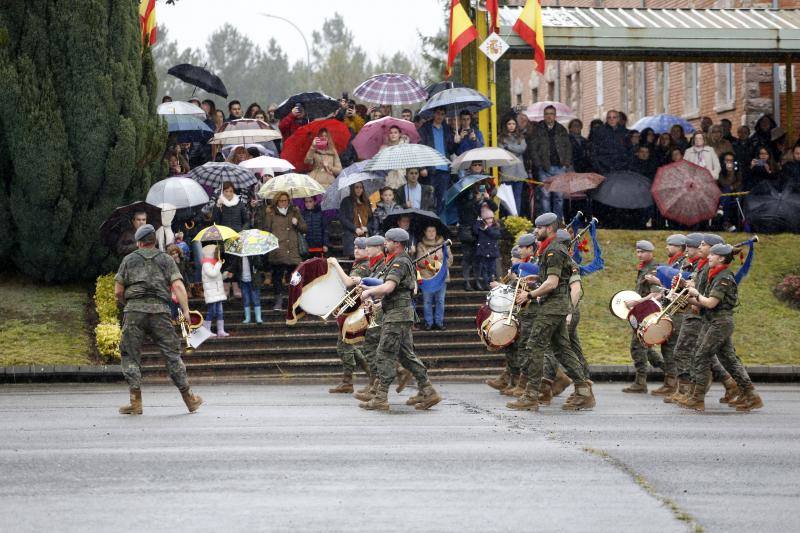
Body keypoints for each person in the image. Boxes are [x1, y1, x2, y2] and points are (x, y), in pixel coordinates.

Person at [506, 213, 595, 411]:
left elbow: (553, 283)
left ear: (549, 228)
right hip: (556, 306)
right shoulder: (551, 249)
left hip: (552, 306)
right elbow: (551, 276)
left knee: (534, 347)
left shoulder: (554, 250)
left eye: (539, 228)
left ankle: (531, 395)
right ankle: (583, 391)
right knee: (562, 349)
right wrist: (535, 277)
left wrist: (529, 296)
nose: (536, 231)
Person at [114, 224, 202, 415]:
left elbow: (118, 291)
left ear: (139, 242)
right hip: (160, 312)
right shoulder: (166, 259)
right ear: (154, 240)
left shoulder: (128, 260)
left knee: (130, 355)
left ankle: (135, 402)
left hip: (134, 312)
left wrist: (127, 304)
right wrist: (186, 311)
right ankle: (190, 399)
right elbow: (178, 286)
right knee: (172, 355)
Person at [358, 228, 443, 411]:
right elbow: (399, 292)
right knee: (405, 355)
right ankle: (428, 390)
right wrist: (380, 305)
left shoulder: (400, 262)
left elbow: (389, 287)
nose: (385, 244)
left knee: (384, 353)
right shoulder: (399, 260)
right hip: (398, 313)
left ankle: (380, 397)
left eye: (387, 241)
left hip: (397, 317)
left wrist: (369, 291)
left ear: (396, 244)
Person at [684, 243, 763, 412]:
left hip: (720, 323)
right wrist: (684, 298)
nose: (709, 257)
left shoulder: (724, 277)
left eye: (712, 255)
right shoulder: (715, 274)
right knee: (729, 360)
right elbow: (704, 302)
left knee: (702, 355)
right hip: (716, 321)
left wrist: (696, 294)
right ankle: (751, 396)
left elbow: (711, 303)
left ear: (721, 258)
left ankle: (697, 398)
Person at [540, 228, 590, 406]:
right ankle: (585, 388)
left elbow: (576, 289)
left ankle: (546, 387)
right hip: (564, 308)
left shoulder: (568, 263)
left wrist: (569, 312)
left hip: (567, 309)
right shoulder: (559, 259)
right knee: (572, 348)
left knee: (555, 348)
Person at [486, 233, 536, 396]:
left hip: (529, 312)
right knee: (514, 347)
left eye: (516, 257)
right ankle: (514, 380)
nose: (514, 260)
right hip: (521, 313)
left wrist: (501, 285)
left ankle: (531, 383)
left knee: (524, 349)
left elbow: (524, 290)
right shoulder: (523, 268)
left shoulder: (530, 267)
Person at [329, 236, 371, 394]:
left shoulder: (363, 266)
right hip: (352, 308)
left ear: (368, 250)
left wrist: (335, 264)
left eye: (360, 248)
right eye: (355, 247)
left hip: (356, 310)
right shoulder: (359, 264)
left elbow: (348, 283)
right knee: (348, 345)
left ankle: (349, 381)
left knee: (344, 345)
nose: (356, 250)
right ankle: (368, 375)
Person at [621, 240, 664, 393]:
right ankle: (672, 372)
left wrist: (637, 302)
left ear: (650, 252)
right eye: (637, 252)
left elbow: (656, 293)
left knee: (637, 346)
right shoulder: (644, 268)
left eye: (642, 252)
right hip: (641, 313)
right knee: (645, 347)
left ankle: (641, 382)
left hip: (648, 312)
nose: (639, 255)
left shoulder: (652, 269)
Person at [257, 191, 307, 312]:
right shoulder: (271, 214)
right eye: (281, 200)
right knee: (277, 277)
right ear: (276, 201)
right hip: (278, 251)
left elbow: (304, 228)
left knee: (295, 277)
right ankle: (278, 301)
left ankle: (295, 301)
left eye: (286, 200)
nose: (284, 203)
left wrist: (297, 223)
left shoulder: (295, 211)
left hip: (293, 252)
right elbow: (266, 231)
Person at [457, 183, 496, 291]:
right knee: (467, 257)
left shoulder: (484, 196)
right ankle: (466, 281)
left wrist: (487, 199)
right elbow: (465, 210)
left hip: (479, 231)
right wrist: (475, 200)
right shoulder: (465, 193)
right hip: (467, 230)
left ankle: (477, 281)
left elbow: (494, 208)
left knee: (477, 258)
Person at [418, 107, 456, 214]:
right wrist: (422, 167)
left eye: (442, 114)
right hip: (430, 170)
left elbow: (451, 149)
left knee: (442, 200)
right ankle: (429, 226)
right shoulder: (425, 129)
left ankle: (439, 226)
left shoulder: (447, 128)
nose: (440, 116)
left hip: (444, 170)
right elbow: (420, 148)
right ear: (433, 114)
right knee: (428, 200)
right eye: (438, 113)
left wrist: (456, 141)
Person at [417, 225, 452, 330]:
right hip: (427, 279)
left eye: (433, 231)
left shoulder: (444, 244)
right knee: (427, 301)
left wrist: (439, 265)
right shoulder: (420, 245)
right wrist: (435, 264)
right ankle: (429, 323)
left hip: (441, 277)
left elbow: (449, 259)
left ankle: (439, 322)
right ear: (425, 232)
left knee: (440, 301)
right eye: (429, 231)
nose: (431, 233)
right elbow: (420, 261)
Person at [499, 116, 528, 214]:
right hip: (507, 171)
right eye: (509, 124)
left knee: (517, 197)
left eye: (513, 124)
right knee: (508, 198)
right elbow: (502, 152)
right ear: (505, 125)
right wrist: (515, 149)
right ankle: (509, 221)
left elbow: (522, 149)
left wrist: (508, 147)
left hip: (519, 171)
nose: (511, 126)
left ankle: (516, 220)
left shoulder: (521, 137)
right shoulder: (501, 138)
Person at [201, 243, 231, 337]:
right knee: (211, 311)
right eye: (216, 252)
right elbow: (212, 274)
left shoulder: (214, 263)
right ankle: (206, 329)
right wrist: (219, 264)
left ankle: (220, 330)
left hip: (218, 292)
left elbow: (217, 277)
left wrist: (225, 275)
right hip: (211, 292)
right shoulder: (206, 264)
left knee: (220, 311)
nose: (217, 254)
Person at [589, 109, 629, 174]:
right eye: (609, 117)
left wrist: (626, 166)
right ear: (606, 119)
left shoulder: (625, 133)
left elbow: (629, 151)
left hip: (621, 169)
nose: (612, 119)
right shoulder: (599, 132)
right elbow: (593, 152)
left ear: (618, 119)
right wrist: (599, 168)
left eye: (614, 117)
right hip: (604, 169)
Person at [339, 182, 373, 257]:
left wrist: (367, 227)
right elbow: (342, 218)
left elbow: (371, 219)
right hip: (351, 236)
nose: (359, 189)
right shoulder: (346, 201)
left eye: (361, 187)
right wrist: (355, 229)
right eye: (356, 187)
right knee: (354, 258)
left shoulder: (366, 201)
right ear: (352, 189)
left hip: (365, 235)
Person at [472, 206, 500, 291]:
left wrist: (487, 229)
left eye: (491, 218)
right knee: (484, 269)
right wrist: (478, 221)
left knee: (492, 269)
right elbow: (475, 231)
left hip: (492, 252)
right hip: (483, 252)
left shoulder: (495, 227)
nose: (490, 220)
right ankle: (486, 284)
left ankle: (491, 283)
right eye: (487, 219)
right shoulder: (480, 228)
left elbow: (496, 235)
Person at [718, 152, 743, 231]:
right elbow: (723, 183)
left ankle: (721, 207)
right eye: (727, 160)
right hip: (721, 191)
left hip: (734, 191)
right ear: (723, 161)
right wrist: (728, 172)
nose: (729, 162)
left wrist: (732, 186)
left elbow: (739, 181)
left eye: (731, 160)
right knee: (726, 192)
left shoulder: (736, 169)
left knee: (727, 191)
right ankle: (726, 222)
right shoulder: (719, 169)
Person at [238, 253, 264, 325]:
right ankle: (247, 318)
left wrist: (255, 260)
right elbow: (235, 267)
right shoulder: (239, 257)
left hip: (253, 281)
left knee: (256, 299)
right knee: (246, 300)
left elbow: (260, 265)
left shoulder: (254, 255)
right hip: (243, 281)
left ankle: (258, 318)